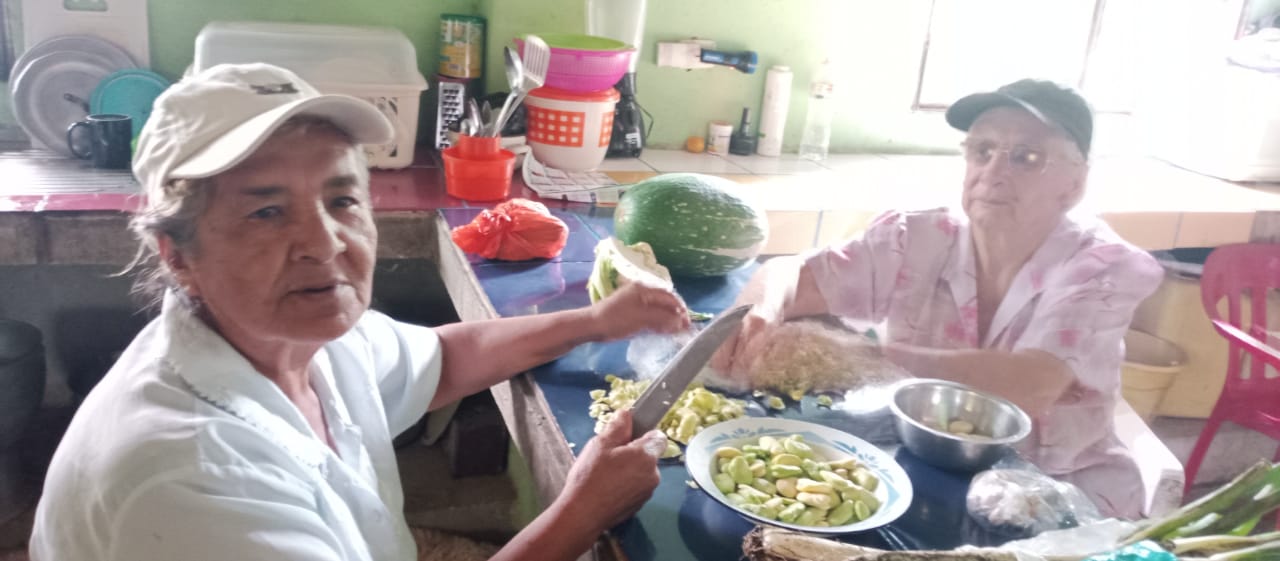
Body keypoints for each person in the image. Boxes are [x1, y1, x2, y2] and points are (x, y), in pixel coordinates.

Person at [30, 63, 690, 561]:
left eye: (342, 201)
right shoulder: (192, 483)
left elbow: (445, 358)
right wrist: (581, 513)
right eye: (266, 212)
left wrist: (597, 321)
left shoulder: (300, 337)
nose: (324, 243)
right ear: (177, 255)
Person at [711, 79, 1163, 518]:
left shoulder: (1103, 267)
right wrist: (757, 312)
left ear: (1074, 184)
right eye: (982, 151)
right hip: (921, 470)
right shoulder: (915, 236)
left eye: (1026, 157)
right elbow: (792, 272)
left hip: (1059, 495)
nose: (993, 173)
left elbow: (1030, 385)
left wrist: (848, 357)